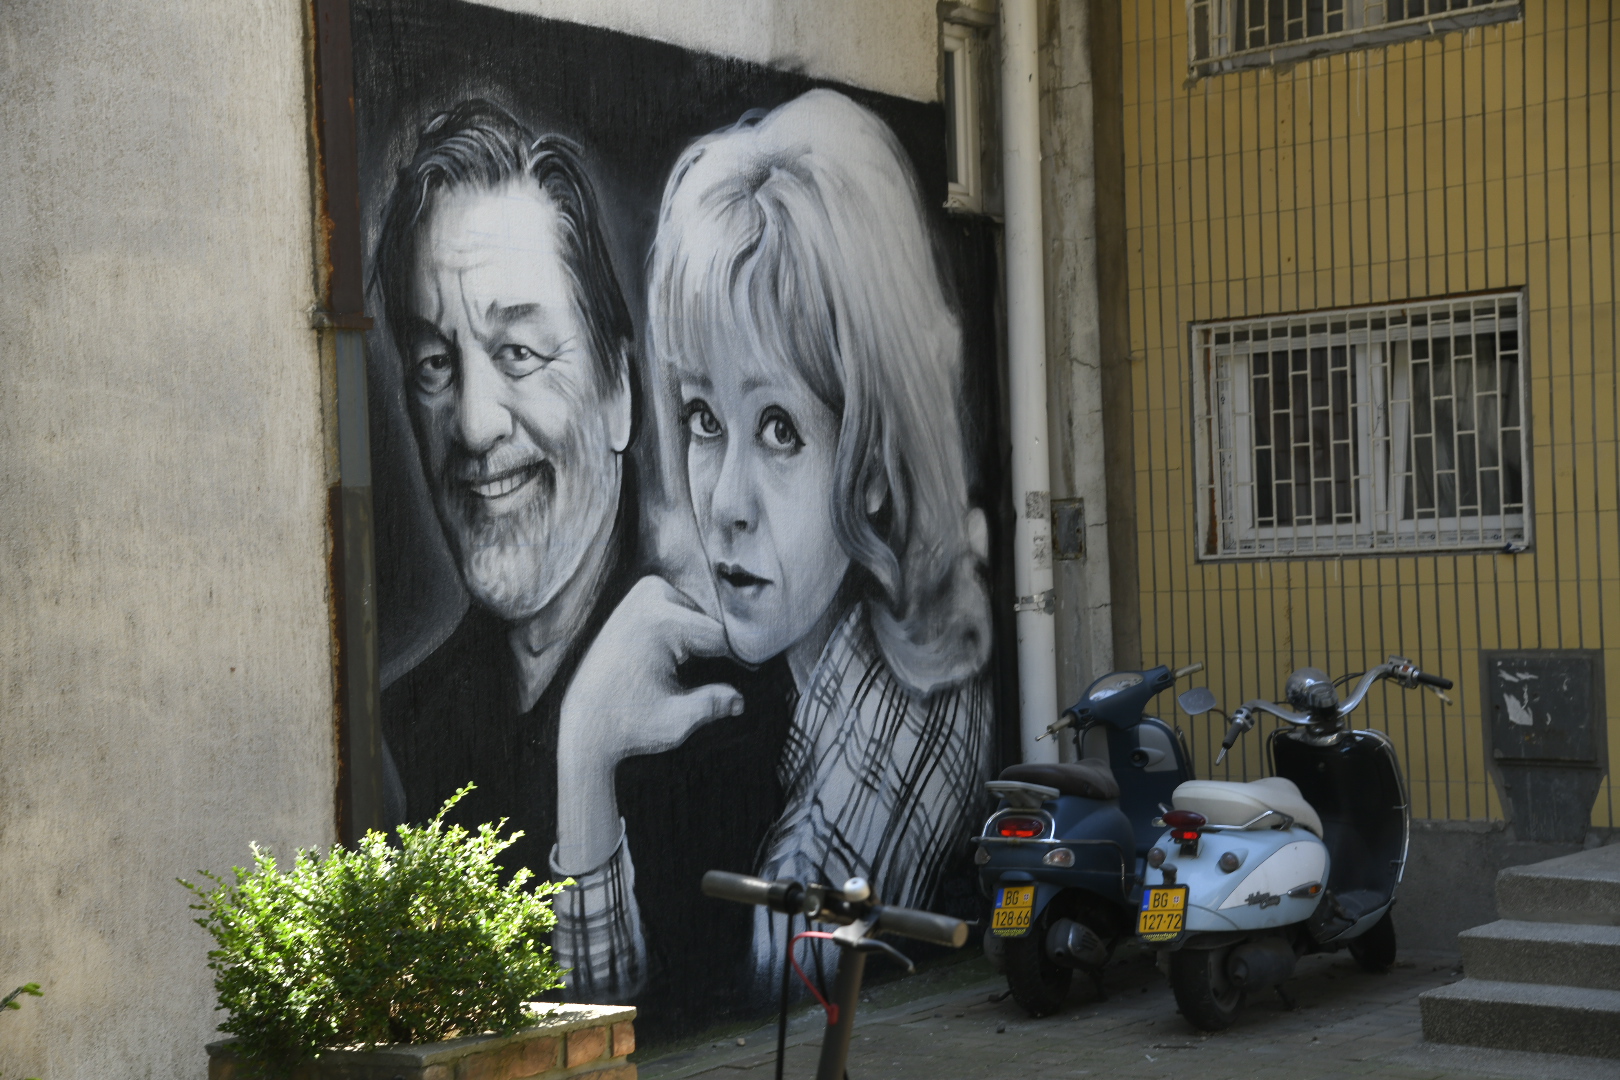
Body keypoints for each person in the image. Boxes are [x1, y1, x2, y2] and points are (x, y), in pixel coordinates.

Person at [560, 88, 994, 989]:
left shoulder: (821, 855)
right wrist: (585, 746)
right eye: (703, 417)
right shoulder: (890, 668)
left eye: (781, 429)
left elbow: (602, 1041)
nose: (724, 501)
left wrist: (584, 765)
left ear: (873, 456)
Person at [372, 100, 781, 1006]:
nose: (473, 426)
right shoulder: (417, 718)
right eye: (437, 364)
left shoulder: (729, 696)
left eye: (518, 351)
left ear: (619, 395)